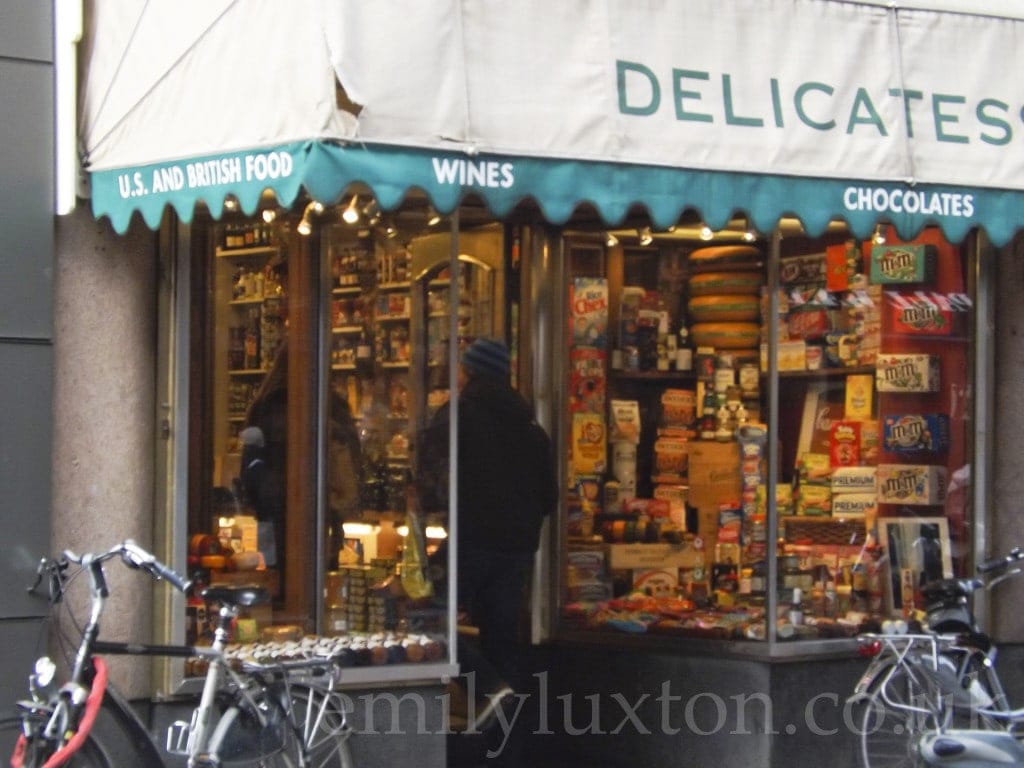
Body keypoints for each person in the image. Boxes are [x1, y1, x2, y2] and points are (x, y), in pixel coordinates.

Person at [418, 337, 557, 700]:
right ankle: (507, 737)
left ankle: (489, 692)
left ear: (469, 372)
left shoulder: (457, 415)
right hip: (516, 551)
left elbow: (430, 474)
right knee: (501, 638)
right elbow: (549, 498)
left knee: (426, 619)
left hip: (470, 541)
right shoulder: (532, 430)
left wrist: (435, 506)